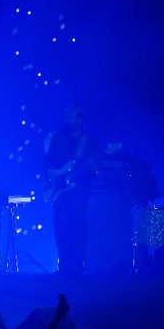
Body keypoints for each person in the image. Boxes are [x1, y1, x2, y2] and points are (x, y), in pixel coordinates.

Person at [43, 106, 108, 275]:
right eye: (66, 118)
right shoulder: (58, 138)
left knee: (77, 226)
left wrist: (94, 168)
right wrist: (50, 177)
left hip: (78, 190)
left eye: (70, 118)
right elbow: (48, 161)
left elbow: (96, 169)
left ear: (79, 120)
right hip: (58, 189)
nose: (67, 121)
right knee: (61, 226)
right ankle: (63, 264)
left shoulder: (90, 141)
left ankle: (77, 265)